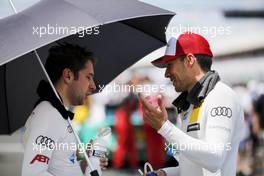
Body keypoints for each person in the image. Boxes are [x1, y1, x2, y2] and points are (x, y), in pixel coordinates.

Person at [139, 32, 245, 176]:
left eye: (170, 65)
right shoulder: (190, 102)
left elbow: (214, 159)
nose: (166, 74)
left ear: (190, 60)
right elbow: (192, 167)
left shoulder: (221, 95)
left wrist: (164, 127)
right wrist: (163, 173)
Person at [22, 43, 108, 176]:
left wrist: (86, 164)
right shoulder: (48, 114)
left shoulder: (57, 111)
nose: (93, 86)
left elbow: (60, 168)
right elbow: (33, 173)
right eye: (88, 77)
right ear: (68, 75)